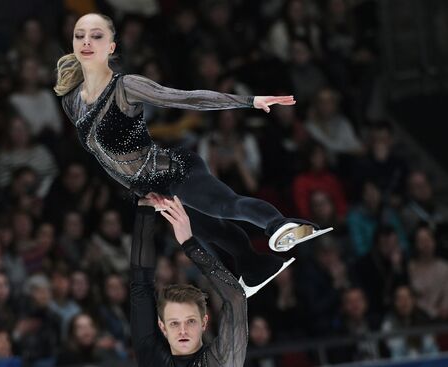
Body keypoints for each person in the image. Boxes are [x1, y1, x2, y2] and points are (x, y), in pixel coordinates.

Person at [57, 13, 332, 295]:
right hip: (153, 188)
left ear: (111, 48)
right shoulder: (71, 102)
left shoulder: (126, 87)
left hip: (175, 170)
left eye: (97, 36)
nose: (87, 41)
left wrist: (248, 101)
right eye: (80, 35)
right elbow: (103, 158)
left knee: (224, 206)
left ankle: (281, 225)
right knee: (210, 231)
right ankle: (255, 266)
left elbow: (186, 98)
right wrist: (140, 192)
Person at [130, 194, 248, 366]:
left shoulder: (221, 361)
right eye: (174, 323)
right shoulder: (152, 358)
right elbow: (140, 286)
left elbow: (236, 298)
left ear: (204, 322)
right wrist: (145, 209)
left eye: (190, 321)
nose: (183, 331)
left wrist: (189, 243)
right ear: (163, 327)